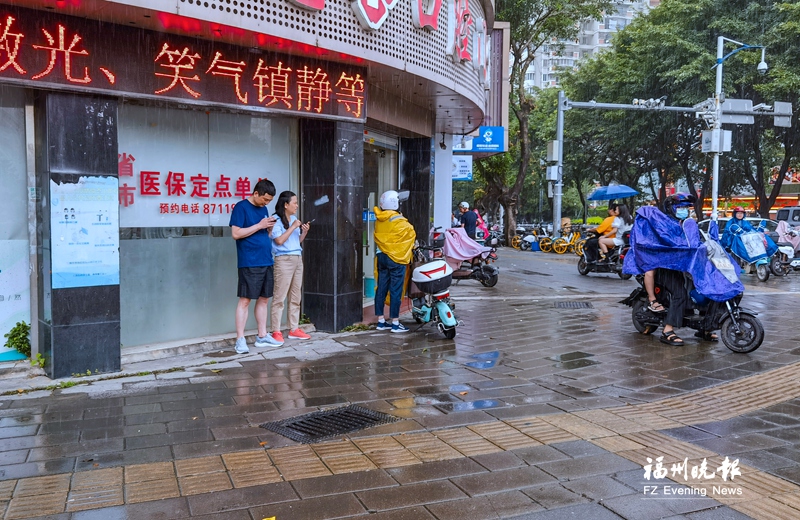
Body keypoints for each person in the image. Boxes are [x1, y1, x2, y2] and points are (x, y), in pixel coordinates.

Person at [229, 179, 282, 354]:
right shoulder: (241, 207)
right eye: (265, 199)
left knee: (264, 298)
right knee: (245, 300)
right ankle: (240, 339)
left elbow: (261, 232)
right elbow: (236, 234)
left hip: (266, 259)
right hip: (249, 261)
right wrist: (259, 225)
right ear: (256, 193)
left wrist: (267, 228)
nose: (266, 203)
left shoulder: (264, 209)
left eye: (269, 201)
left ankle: (262, 335)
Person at [270, 190, 311, 345]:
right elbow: (279, 241)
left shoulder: (293, 219)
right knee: (279, 296)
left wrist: (304, 233)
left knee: (295, 296)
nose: (297, 206)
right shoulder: (275, 220)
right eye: (294, 203)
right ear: (285, 205)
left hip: (297, 258)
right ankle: (276, 331)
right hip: (283, 260)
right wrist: (293, 227)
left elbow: (295, 242)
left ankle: (294, 328)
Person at [374, 190, 416, 332]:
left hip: (381, 257)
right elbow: (411, 233)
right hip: (396, 258)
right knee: (396, 290)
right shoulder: (398, 220)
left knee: (381, 288)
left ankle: (380, 321)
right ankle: (395, 323)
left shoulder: (380, 218)